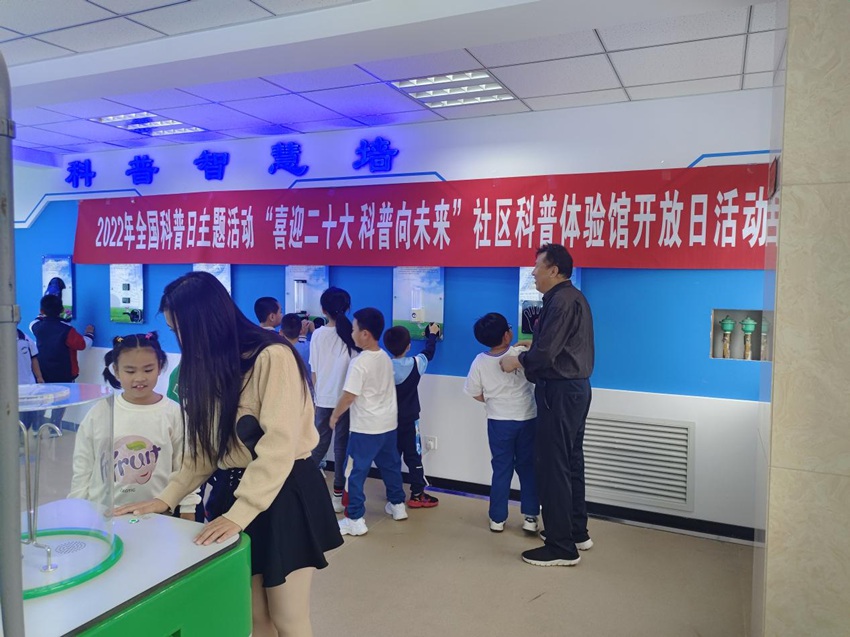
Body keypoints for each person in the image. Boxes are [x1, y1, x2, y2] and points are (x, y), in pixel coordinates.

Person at [115, 272, 342, 637]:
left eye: (183, 330)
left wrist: (240, 513)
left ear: (208, 321)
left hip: (285, 490)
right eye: (174, 331)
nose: (181, 340)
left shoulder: (273, 356)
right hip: (235, 492)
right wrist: (166, 498)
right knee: (253, 615)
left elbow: (279, 447)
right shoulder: (203, 366)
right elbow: (203, 450)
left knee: (288, 617)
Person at [500, 244, 594, 567]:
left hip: (559, 393)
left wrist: (518, 360)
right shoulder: (572, 297)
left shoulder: (560, 301)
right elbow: (559, 345)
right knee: (571, 462)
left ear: (554, 270)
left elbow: (545, 357)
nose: (533, 273)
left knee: (553, 467)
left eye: (537, 267)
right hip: (575, 390)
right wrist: (534, 344)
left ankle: (561, 547)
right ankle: (576, 532)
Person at [69, 333, 199, 519]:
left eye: (148, 370)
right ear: (116, 371)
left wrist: (188, 509)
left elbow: (186, 466)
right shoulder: (101, 411)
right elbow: (83, 464)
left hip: (156, 515)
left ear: (160, 367)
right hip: (103, 513)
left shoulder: (174, 413)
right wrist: (77, 505)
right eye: (130, 371)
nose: (139, 378)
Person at [331, 308, 407, 536]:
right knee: (391, 466)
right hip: (388, 425)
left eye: (354, 329)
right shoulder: (385, 357)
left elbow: (349, 396)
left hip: (365, 428)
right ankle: (398, 505)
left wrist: (335, 415)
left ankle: (354, 518)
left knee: (354, 472)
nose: (351, 333)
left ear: (365, 334)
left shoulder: (359, 363)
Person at [464, 313, 539, 533]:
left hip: (498, 421)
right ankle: (531, 517)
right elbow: (540, 360)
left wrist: (493, 401)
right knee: (528, 468)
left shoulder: (479, 361)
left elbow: (475, 392)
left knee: (501, 468)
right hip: (528, 418)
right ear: (507, 335)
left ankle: (497, 519)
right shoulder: (520, 355)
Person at [309, 287, 358, 512]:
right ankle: (338, 497)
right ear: (347, 308)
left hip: (323, 399)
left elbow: (314, 371)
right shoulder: (352, 334)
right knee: (341, 448)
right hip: (345, 400)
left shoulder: (318, 334)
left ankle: (302, 490)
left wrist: (317, 397)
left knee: (317, 446)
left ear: (323, 310)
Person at [382, 323, 440, 508]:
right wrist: (432, 334)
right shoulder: (416, 363)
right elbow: (429, 352)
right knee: (414, 456)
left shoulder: (383, 367)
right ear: (408, 346)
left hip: (388, 421)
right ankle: (417, 494)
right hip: (410, 419)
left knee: (392, 457)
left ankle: (393, 493)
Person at [31, 294, 94, 427]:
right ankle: (54, 427)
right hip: (63, 374)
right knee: (60, 402)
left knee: (41, 400)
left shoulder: (36, 326)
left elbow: (35, 320)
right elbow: (83, 344)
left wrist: (43, 313)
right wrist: (89, 333)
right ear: (61, 310)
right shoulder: (67, 330)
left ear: (41, 311)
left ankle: (37, 427)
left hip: (43, 372)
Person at [16, 325, 44, 430]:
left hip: (27, 385)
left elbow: (34, 359)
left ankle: (23, 435)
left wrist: (39, 377)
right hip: (7, 387)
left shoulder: (26, 340)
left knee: (27, 417)